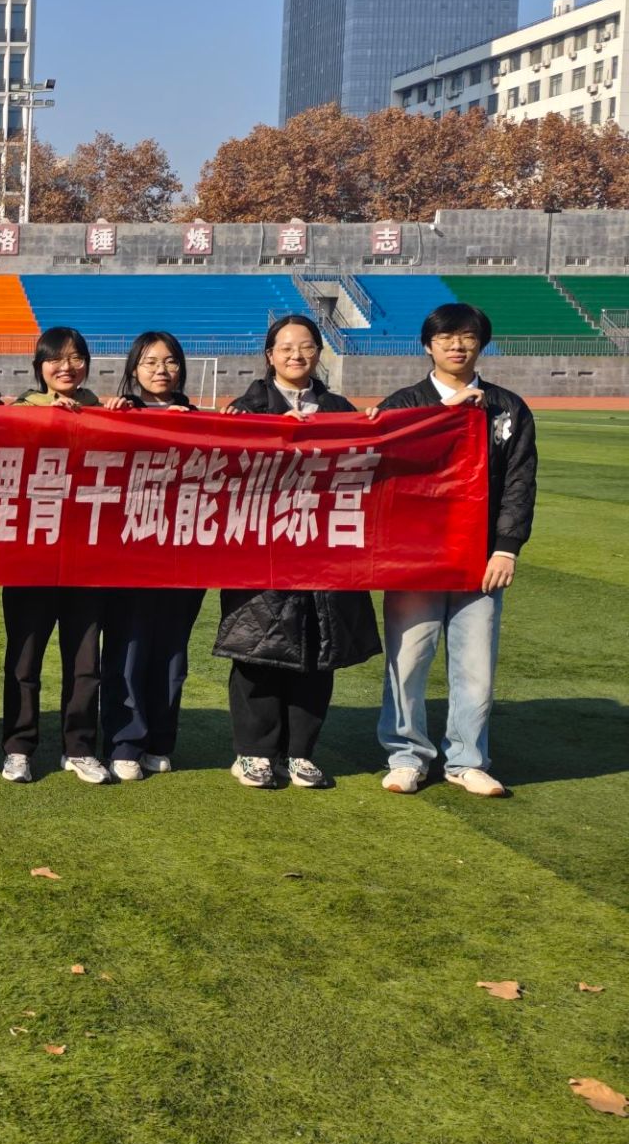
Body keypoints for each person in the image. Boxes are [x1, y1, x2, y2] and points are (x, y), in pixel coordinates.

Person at [374, 303, 536, 799]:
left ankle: (468, 760)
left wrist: (506, 549)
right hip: (415, 557)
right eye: (446, 337)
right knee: (408, 660)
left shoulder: (507, 408)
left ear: (481, 342)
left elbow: (519, 481)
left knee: (475, 666)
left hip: (479, 558)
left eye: (467, 336)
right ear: (428, 345)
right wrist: (445, 417)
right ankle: (406, 755)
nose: (457, 345)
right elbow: (383, 467)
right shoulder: (404, 403)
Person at [212, 315, 380, 789]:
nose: (296, 355)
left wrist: (372, 427)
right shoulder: (245, 409)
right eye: (285, 348)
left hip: (323, 552)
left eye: (305, 346)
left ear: (319, 353)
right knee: (259, 648)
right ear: (270, 355)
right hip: (262, 551)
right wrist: (271, 433)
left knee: (316, 648)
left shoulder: (339, 409)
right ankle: (254, 752)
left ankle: (301, 751)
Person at [1, 326, 106, 783]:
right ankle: (18, 747)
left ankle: (78, 747)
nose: (67, 367)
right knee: (24, 661)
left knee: (85, 664)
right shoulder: (18, 412)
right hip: (30, 557)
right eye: (56, 359)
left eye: (76, 357)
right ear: (39, 366)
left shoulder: (103, 412)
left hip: (87, 558)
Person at [99, 331, 205, 781]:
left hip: (185, 554)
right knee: (128, 647)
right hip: (130, 552)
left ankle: (160, 740)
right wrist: (112, 417)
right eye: (150, 362)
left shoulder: (201, 420)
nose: (161, 370)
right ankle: (125, 742)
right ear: (133, 369)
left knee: (172, 651)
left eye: (170, 361)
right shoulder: (118, 415)